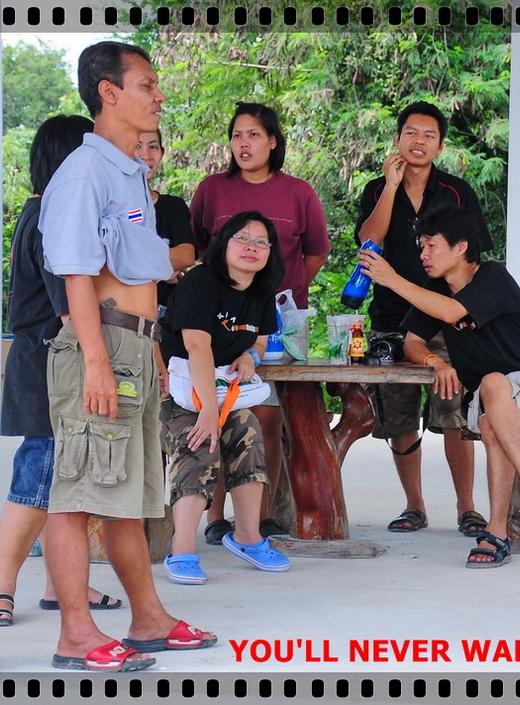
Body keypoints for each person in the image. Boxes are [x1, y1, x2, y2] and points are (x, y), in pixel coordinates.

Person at [39, 41, 214, 672]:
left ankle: (149, 620)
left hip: (133, 345)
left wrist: (150, 348)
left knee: (128, 495)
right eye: (146, 84)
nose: (158, 95)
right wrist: (95, 361)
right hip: (102, 346)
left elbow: (135, 272)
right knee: (78, 493)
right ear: (109, 92)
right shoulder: (84, 171)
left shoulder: (129, 170)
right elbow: (76, 275)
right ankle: (76, 635)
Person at [361, 206, 520, 568]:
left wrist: (392, 279)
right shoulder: (435, 288)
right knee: (492, 388)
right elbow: (412, 342)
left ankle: (499, 529)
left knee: (492, 406)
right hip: (493, 396)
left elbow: (451, 313)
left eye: (431, 246)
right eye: (421, 246)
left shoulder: (492, 276)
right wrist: (435, 361)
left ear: (460, 247)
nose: (423, 255)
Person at [0, 114, 123, 628]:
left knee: (58, 483)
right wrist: (105, 364)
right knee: (37, 479)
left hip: (42, 363)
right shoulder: (51, 220)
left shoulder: (39, 212)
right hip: (48, 366)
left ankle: (59, 586)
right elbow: (71, 312)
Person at [190, 102, 330, 544]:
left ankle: (262, 515)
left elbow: (317, 251)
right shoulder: (212, 190)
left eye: (253, 134)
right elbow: (197, 249)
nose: (243, 143)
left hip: (281, 320)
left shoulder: (298, 192)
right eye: (236, 135)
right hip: (221, 319)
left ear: (272, 141)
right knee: (218, 409)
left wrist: (281, 289)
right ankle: (216, 517)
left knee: (269, 417)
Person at [355, 101, 491, 537]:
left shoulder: (456, 192)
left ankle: (467, 508)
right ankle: (414, 506)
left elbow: (473, 253)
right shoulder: (377, 190)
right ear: (398, 139)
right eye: (411, 132)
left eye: (429, 135)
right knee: (399, 418)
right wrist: (391, 187)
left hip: (446, 319)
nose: (419, 141)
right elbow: (369, 242)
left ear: (440, 145)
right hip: (391, 318)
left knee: (455, 414)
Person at [159, 211, 289, 583]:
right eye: (242, 238)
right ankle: (182, 548)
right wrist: (207, 413)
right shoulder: (200, 282)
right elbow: (197, 348)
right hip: (179, 390)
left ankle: (247, 536)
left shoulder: (261, 290)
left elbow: (260, 340)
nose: (252, 247)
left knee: (248, 428)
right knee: (200, 439)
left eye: (261, 242)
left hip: (222, 391)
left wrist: (250, 357)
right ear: (223, 244)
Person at [134, 129, 196, 316]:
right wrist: (164, 270)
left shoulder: (173, 206)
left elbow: (187, 255)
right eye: (137, 146)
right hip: (125, 314)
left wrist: (139, 266)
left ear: (162, 153)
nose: (146, 154)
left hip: (168, 316)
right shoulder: (112, 206)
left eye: (153, 147)